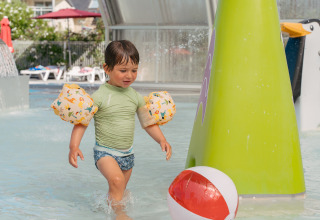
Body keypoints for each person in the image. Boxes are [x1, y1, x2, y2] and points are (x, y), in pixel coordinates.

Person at [68, 40, 172, 217]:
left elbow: (148, 122)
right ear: (107, 68)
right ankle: (119, 214)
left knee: (120, 190)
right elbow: (81, 122)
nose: (129, 75)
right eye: (123, 70)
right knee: (116, 181)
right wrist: (74, 146)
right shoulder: (100, 96)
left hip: (127, 154)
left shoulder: (135, 97)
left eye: (134, 70)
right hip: (105, 152)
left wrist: (161, 139)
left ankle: (106, 209)